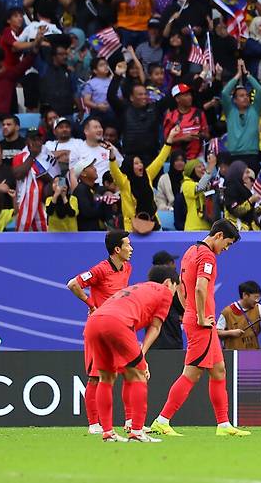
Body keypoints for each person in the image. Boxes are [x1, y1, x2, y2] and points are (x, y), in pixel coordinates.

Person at [150, 220, 251, 437]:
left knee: (219, 370)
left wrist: (189, 310)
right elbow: (200, 287)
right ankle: (162, 420)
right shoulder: (207, 256)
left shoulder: (190, 251)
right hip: (201, 323)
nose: (227, 248)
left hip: (197, 319)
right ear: (218, 235)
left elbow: (181, 289)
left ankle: (223, 425)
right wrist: (201, 317)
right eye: (228, 243)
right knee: (192, 373)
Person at [84, 264, 178, 443]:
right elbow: (156, 327)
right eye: (176, 287)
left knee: (106, 378)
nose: (175, 293)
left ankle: (108, 432)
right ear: (168, 283)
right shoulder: (164, 292)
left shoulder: (138, 288)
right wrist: (142, 354)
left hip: (94, 322)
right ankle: (136, 431)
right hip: (116, 323)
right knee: (138, 374)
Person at [66, 230, 133, 435]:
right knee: (96, 377)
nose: (131, 249)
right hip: (99, 330)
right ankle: (94, 425)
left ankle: (131, 422)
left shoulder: (127, 268)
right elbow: (73, 284)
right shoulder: (100, 270)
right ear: (117, 249)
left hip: (119, 329)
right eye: (127, 245)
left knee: (131, 372)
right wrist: (91, 304)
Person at [109, 126, 177, 232]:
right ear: (130, 167)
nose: (140, 165)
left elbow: (160, 160)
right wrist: (112, 157)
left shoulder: (148, 175)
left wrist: (170, 138)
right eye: (136, 163)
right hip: (133, 229)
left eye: (140, 162)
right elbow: (115, 172)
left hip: (154, 224)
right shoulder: (124, 182)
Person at [221, 59, 261, 174]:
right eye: (241, 96)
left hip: (252, 156)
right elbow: (225, 93)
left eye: (246, 95)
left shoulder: (254, 109)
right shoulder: (230, 111)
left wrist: (247, 74)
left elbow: (260, 90)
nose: (245, 97)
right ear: (234, 100)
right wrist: (238, 75)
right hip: (234, 156)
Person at [150, 251, 184, 350]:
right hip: (171, 336)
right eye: (172, 262)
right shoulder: (173, 282)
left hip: (153, 339)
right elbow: (181, 305)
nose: (174, 265)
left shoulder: (151, 281)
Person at [217, 281, 261, 350]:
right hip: (233, 356)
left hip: (254, 354)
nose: (257, 300)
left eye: (258, 298)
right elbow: (216, 332)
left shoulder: (259, 308)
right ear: (245, 295)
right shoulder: (227, 312)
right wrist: (230, 333)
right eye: (255, 297)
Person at [0, 139, 15, 209]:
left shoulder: (9, 170)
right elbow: (1, 188)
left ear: (2, 154)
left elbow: (4, 188)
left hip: (5, 213)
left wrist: (0, 187)